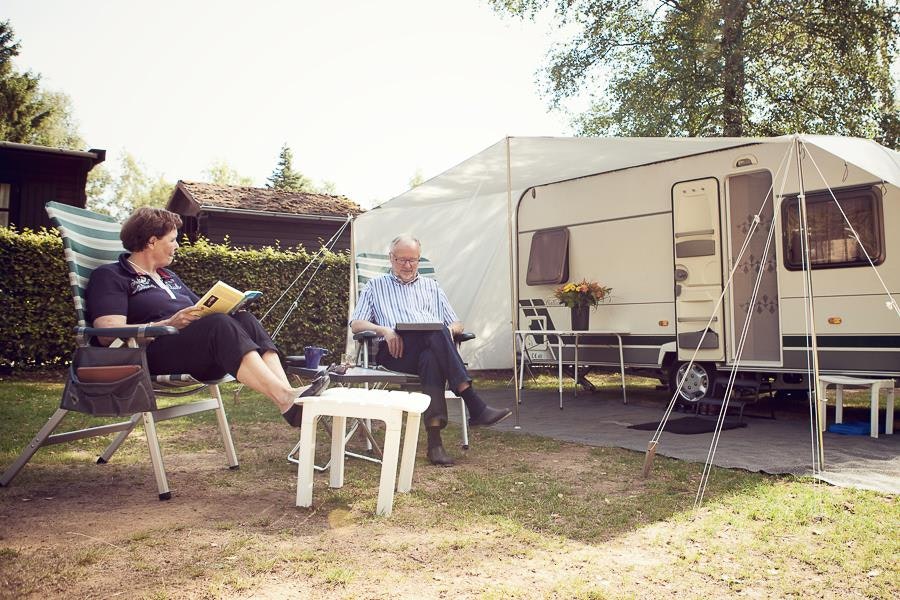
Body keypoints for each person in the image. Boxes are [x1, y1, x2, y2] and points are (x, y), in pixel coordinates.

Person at [85, 207, 325, 428]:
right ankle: (285, 398)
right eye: (173, 239)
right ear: (151, 241)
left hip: (194, 351)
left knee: (245, 319)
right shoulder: (111, 276)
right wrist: (166, 324)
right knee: (218, 325)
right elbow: (107, 332)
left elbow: (201, 310)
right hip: (149, 355)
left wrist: (230, 306)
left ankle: (288, 395)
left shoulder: (169, 277)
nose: (177, 245)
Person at [349, 234, 511, 466]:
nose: (408, 265)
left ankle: (435, 445)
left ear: (419, 259)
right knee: (435, 334)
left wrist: (447, 332)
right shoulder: (375, 286)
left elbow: (456, 323)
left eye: (413, 260)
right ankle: (473, 403)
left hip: (430, 349)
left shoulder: (431, 287)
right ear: (391, 259)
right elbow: (357, 324)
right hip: (395, 352)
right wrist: (384, 330)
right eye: (402, 260)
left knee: (432, 354)